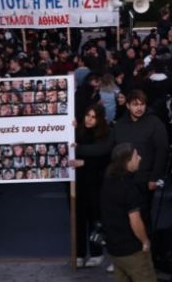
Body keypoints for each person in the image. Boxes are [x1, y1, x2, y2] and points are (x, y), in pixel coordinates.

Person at [110, 90, 169, 226]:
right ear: (128, 106)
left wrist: (154, 177)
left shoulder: (155, 123)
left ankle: (146, 245)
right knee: (124, 216)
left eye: (142, 104)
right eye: (135, 104)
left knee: (143, 215)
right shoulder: (120, 125)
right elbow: (112, 150)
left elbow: (162, 151)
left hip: (145, 179)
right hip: (123, 179)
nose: (139, 108)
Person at [100, 143, 156, 282]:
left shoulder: (108, 181)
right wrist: (145, 241)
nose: (140, 158)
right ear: (127, 161)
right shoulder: (129, 188)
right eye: (136, 156)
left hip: (115, 249)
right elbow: (135, 221)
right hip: (132, 250)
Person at [71, 104, 113, 268]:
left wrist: (85, 162)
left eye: (93, 116)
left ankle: (97, 253)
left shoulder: (105, 135)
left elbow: (104, 157)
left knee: (95, 219)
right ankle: (80, 253)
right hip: (78, 181)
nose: (89, 119)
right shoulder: (78, 131)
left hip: (96, 183)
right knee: (78, 218)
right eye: (87, 115)